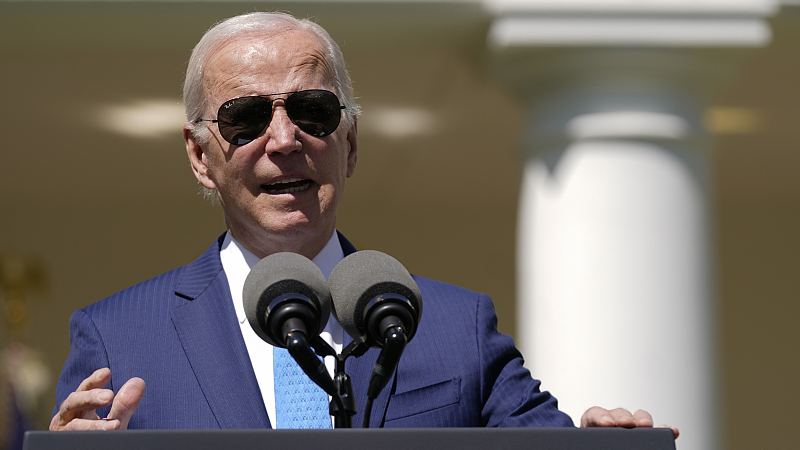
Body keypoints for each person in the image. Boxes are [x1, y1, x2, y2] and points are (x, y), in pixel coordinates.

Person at [50, 12, 677, 435]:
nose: (285, 139)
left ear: (349, 143)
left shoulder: (457, 328)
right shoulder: (118, 339)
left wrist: (596, 448)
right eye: (245, 118)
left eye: (312, 111)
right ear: (199, 156)